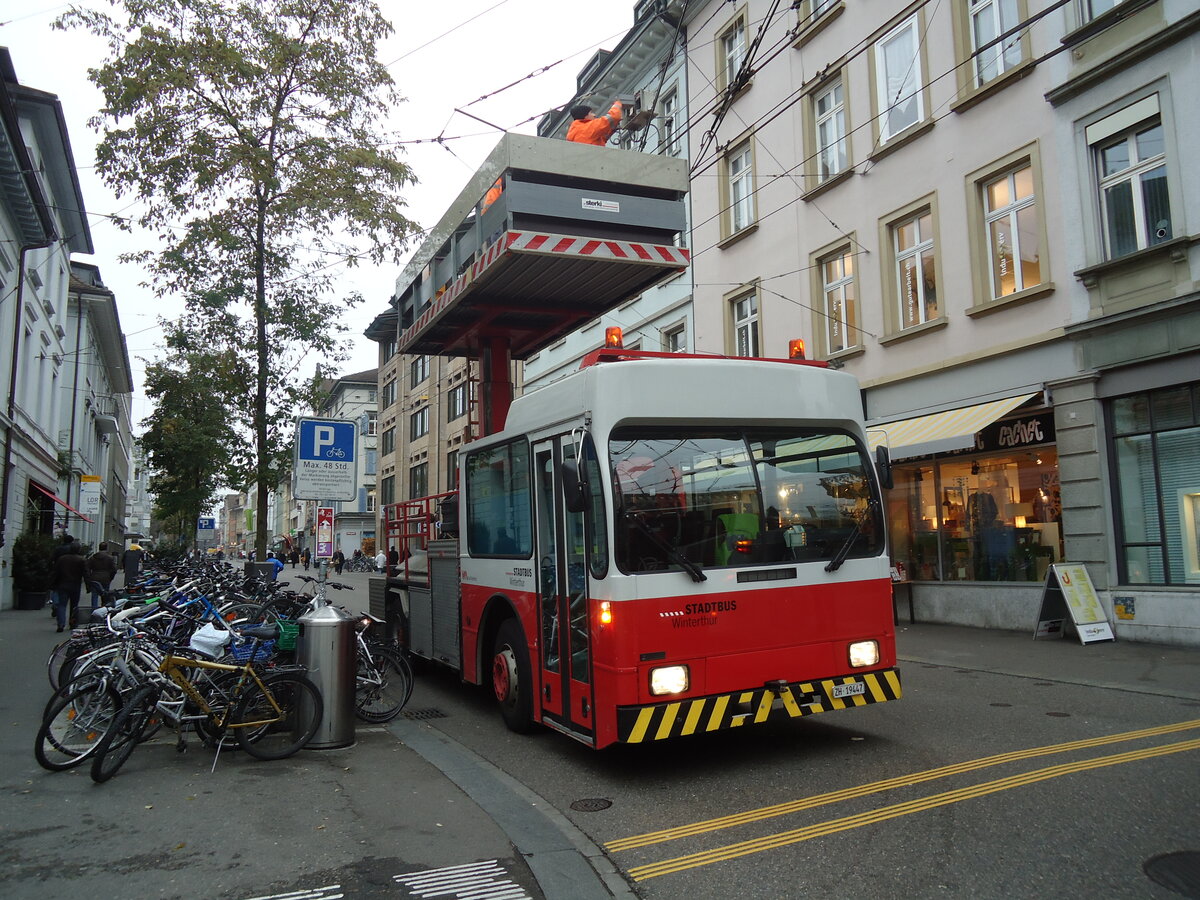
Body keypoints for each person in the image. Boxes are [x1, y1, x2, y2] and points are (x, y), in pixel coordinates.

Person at [51, 540, 86, 632]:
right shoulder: (81, 560)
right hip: (75, 585)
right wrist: (88, 585)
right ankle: (73, 622)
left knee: (62, 605)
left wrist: (53, 583)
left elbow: (55, 572)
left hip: (62, 584)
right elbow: (85, 573)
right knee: (74, 605)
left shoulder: (62, 559)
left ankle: (61, 624)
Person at [85, 541, 118, 609]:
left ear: (99, 548)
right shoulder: (110, 558)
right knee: (105, 596)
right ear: (106, 548)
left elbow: (87, 569)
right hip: (105, 578)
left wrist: (90, 578)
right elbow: (114, 570)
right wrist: (110, 577)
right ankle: (104, 610)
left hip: (95, 578)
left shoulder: (93, 558)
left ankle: (94, 611)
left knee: (94, 596)